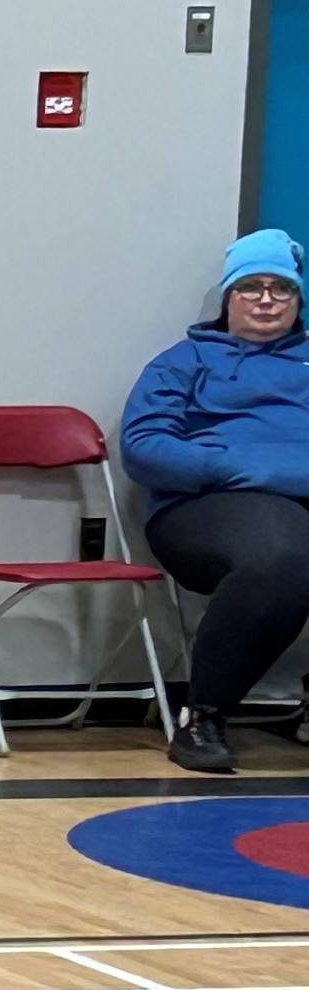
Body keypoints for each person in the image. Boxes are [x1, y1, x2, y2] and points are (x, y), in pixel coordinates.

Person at [120, 230, 309, 777]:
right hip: (206, 508)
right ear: (229, 298)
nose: (267, 299)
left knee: (292, 544)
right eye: (252, 287)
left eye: (282, 289)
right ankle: (204, 715)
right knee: (282, 557)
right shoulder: (184, 361)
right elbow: (145, 450)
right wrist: (239, 469)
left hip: (295, 506)